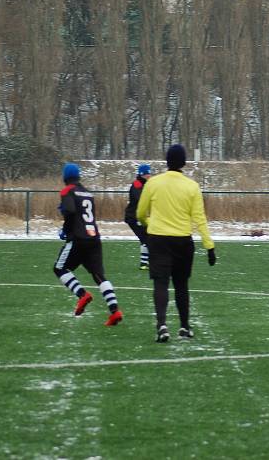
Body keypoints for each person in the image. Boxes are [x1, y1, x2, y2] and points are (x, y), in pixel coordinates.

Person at [137, 144, 216, 343]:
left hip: (158, 239)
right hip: (182, 241)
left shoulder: (153, 183)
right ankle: (184, 326)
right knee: (181, 285)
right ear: (184, 162)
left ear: (166, 161)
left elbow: (140, 213)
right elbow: (200, 219)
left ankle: (162, 325)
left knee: (160, 283)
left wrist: (150, 224)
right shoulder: (192, 186)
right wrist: (209, 246)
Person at [53, 163, 123, 326]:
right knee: (99, 275)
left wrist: (65, 229)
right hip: (94, 238)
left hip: (78, 239)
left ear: (65, 177)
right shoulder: (87, 193)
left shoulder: (66, 190)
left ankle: (82, 294)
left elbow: (70, 211)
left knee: (59, 268)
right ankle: (115, 311)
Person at [125, 164, 152, 270]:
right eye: (147, 174)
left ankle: (144, 263)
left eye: (149, 173)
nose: (149, 176)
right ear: (142, 174)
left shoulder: (145, 184)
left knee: (146, 239)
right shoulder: (137, 184)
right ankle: (145, 263)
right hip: (133, 217)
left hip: (139, 217)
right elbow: (140, 198)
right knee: (146, 239)